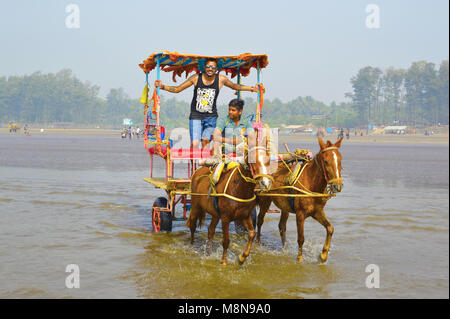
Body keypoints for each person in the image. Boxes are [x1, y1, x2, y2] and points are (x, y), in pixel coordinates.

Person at [154, 58, 259, 150]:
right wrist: (162, 86)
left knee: (206, 142)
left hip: (211, 117)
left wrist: (251, 89)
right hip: (196, 115)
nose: (210, 69)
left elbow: (235, 86)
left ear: (216, 69)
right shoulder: (196, 78)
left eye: (213, 67)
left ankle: (203, 166)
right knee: (195, 144)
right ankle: (194, 168)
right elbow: (177, 89)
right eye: (208, 66)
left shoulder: (221, 79)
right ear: (204, 67)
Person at [204, 98, 255, 165]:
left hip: (240, 147)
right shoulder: (223, 120)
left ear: (240, 112)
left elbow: (252, 136)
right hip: (226, 147)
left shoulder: (246, 122)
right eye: (229, 110)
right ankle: (216, 165)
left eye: (233, 110)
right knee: (216, 142)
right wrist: (233, 141)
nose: (230, 112)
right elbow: (215, 136)